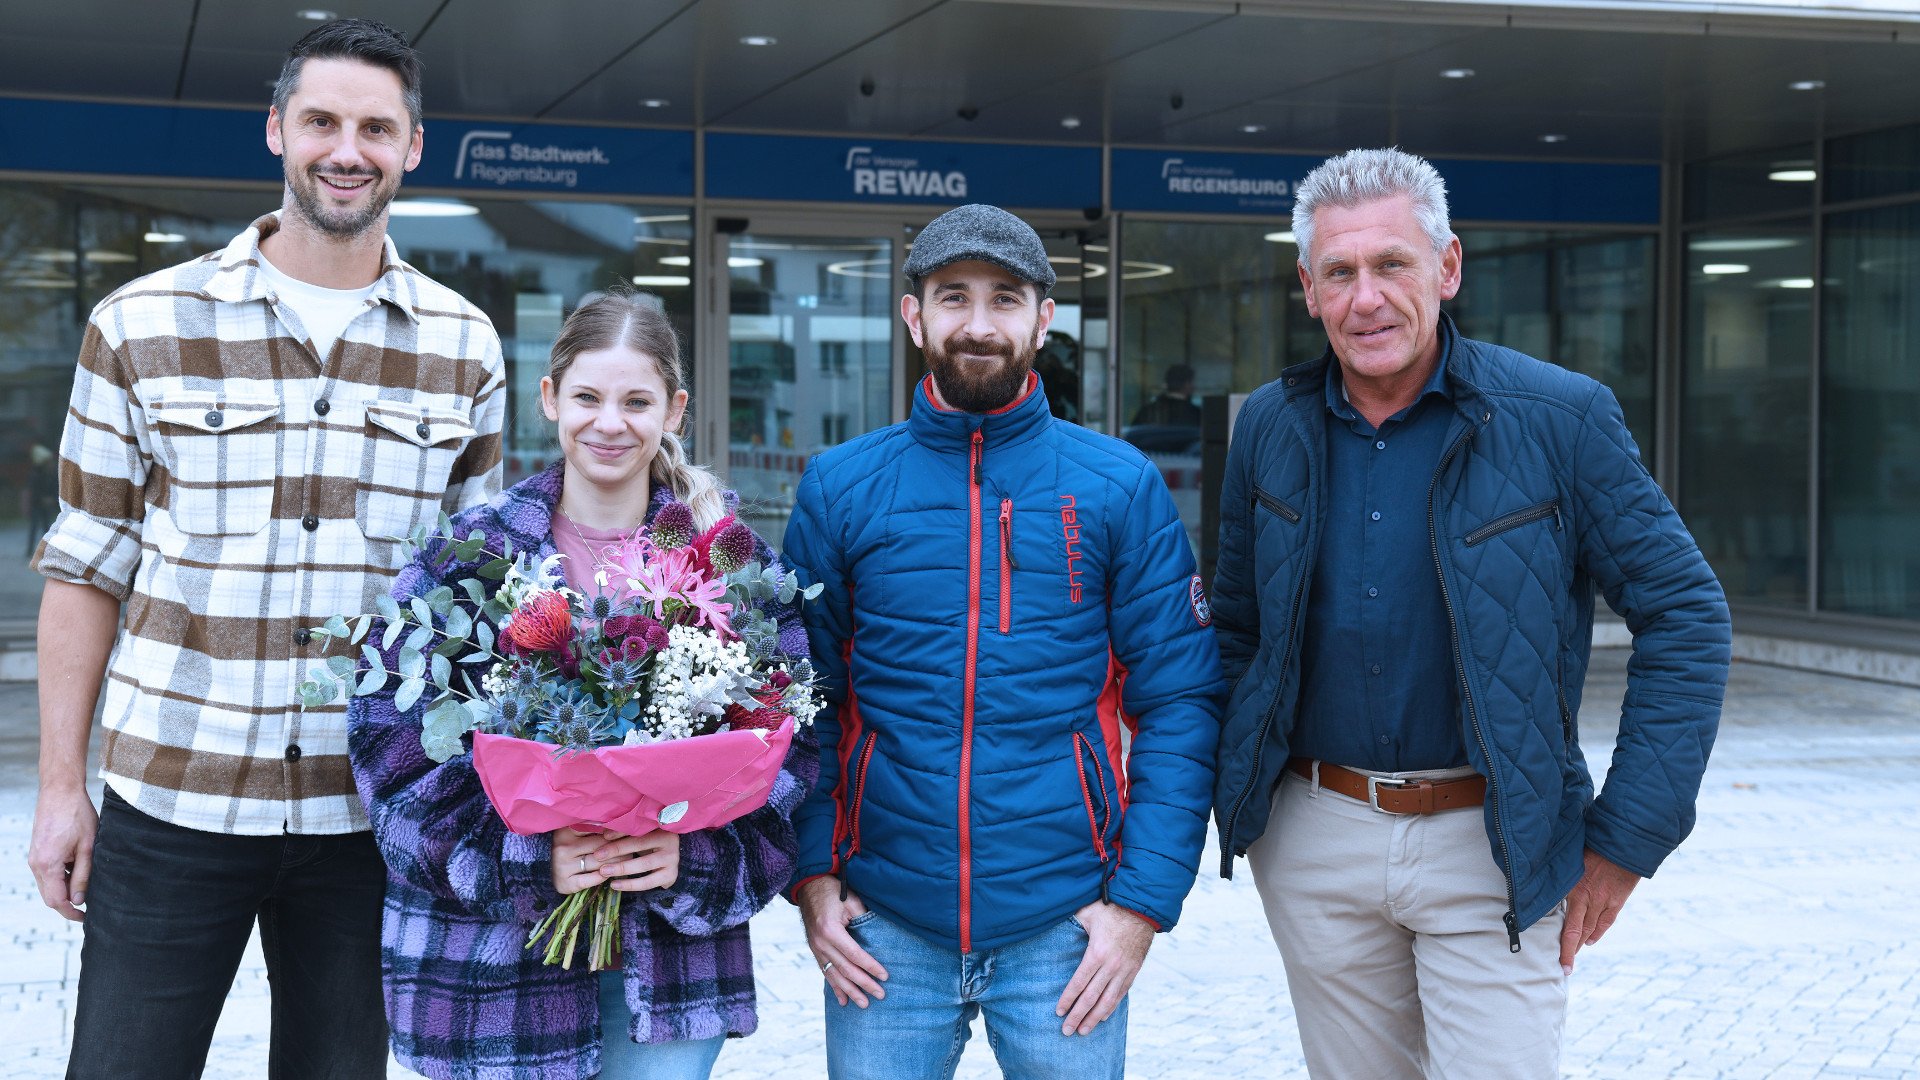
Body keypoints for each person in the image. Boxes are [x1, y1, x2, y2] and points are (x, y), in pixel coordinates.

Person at [27, 19, 505, 1078]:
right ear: (278, 129)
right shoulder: (141, 321)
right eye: (324, 120)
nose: (349, 148)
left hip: (366, 815)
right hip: (173, 798)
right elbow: (83, 568)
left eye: (377, 127)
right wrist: (64, 787)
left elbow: (474, 596)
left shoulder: (463, 345)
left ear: (413, 146)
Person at [1210, 148, 1731, 1079]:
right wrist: (1239, 804)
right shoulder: (1269, 427)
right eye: (1340, 272)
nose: (1366, 297)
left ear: (1447, 268)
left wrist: (1627, 839)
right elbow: (1239, 632)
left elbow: (1687, 612)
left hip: (1497, 848)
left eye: (1392, 265)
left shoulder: (1561, 419)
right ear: (1308, 287)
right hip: (1317, 838)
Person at [781, 204, 1223, 1080]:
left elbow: (1180, 701)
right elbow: (803, 702)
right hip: (887, 928)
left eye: (1005, 299)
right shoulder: (841, 487)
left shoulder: (1118, 486)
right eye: (953, 298)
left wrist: (1141, 903)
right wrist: (812, 879)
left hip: (1065, 930)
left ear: (1043, 318)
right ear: (915, 317)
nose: (978, 325)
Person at [347, 290, 819, 1080]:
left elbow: (793, 767)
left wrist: (689, 858)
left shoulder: (731, 568)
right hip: (489, 976)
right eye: (588, 397)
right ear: (549, 400)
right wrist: (531, 860)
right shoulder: (467, 558)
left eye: (637, 401)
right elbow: (388, 764)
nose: (610, 423)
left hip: (669, 975)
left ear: (674, 410)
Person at [1130, 364, 1203, 428]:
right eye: (1192, 382)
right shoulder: (1194, 414)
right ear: (1187, 384)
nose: (1193, 386)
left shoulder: (1148, 411)